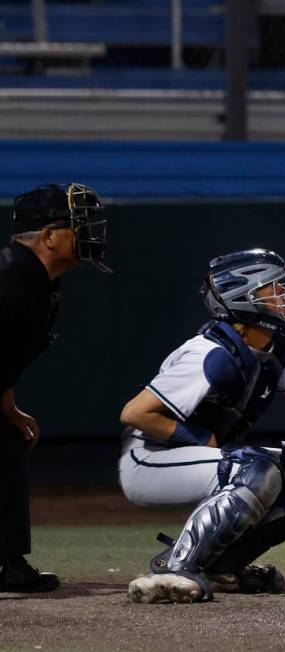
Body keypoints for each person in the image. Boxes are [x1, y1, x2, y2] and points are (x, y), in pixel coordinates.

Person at [119, 248, 285, 603]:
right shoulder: (210, 354)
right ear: (243, 298)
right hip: (149, 459)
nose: (283, 295)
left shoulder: (272, 347)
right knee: (255, 467)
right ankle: (174, 567)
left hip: (198, 458)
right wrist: (202, 439)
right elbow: (135, 413)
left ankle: (222, 566)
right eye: (272, 288)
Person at [0, 183, 111, 593]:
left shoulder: (38, 280)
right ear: (48, 236)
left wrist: (8, 407)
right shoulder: (11, 275)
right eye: (76, 226)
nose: (88, 233)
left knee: (7, 439)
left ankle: (8, 562)